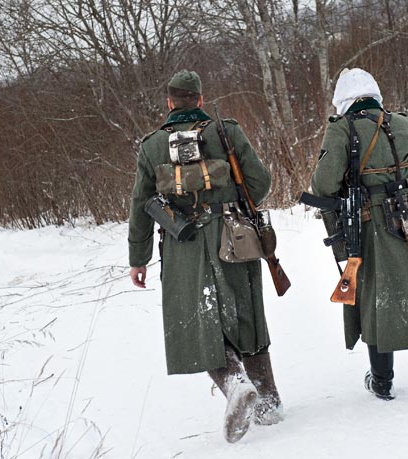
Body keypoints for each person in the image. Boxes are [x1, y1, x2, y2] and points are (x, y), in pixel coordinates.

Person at [128, 70, 283, 442]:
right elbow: (260, 182)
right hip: (233, 234)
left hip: (182, 244)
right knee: (247, 316)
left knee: (199, 324)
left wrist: (138, 257)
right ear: (199, 100)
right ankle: (268, 403)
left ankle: (233, 384)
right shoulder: (225, 132)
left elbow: (140, 205)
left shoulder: (151, 147)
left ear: (169, 103)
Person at [310, 68, 408, 402]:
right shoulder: (402, 122)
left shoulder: (341, 130)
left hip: (372, 226)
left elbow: (323, 185)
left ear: (343, 101)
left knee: (374, 297)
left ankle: (382, 381)